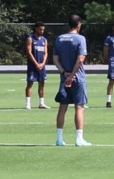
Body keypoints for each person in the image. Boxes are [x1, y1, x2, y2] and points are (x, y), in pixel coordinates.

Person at [53, 15, 90, 146]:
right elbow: (80, 59)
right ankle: (79, 139)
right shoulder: (81, 38)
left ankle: (59, 139)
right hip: (77, 78)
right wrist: (72, 75)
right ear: (78, 25)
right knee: (79, 107)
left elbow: (55, 59)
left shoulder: (59, 38)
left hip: (64, 78)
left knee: (62, 108)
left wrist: (64, 73)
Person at [25, 23, 49, 109]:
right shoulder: (30, 38)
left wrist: (42, 64)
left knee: (42, 83)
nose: (42, 31)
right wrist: (36, 64)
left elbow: (46, 53)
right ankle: (28, 104)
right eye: (40, 29)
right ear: (36, 29)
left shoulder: (44, 40)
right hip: (33, 65)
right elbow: (29, 52)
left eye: (43, 29)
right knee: (30, 83)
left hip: (41, 66)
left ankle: (41, 103)